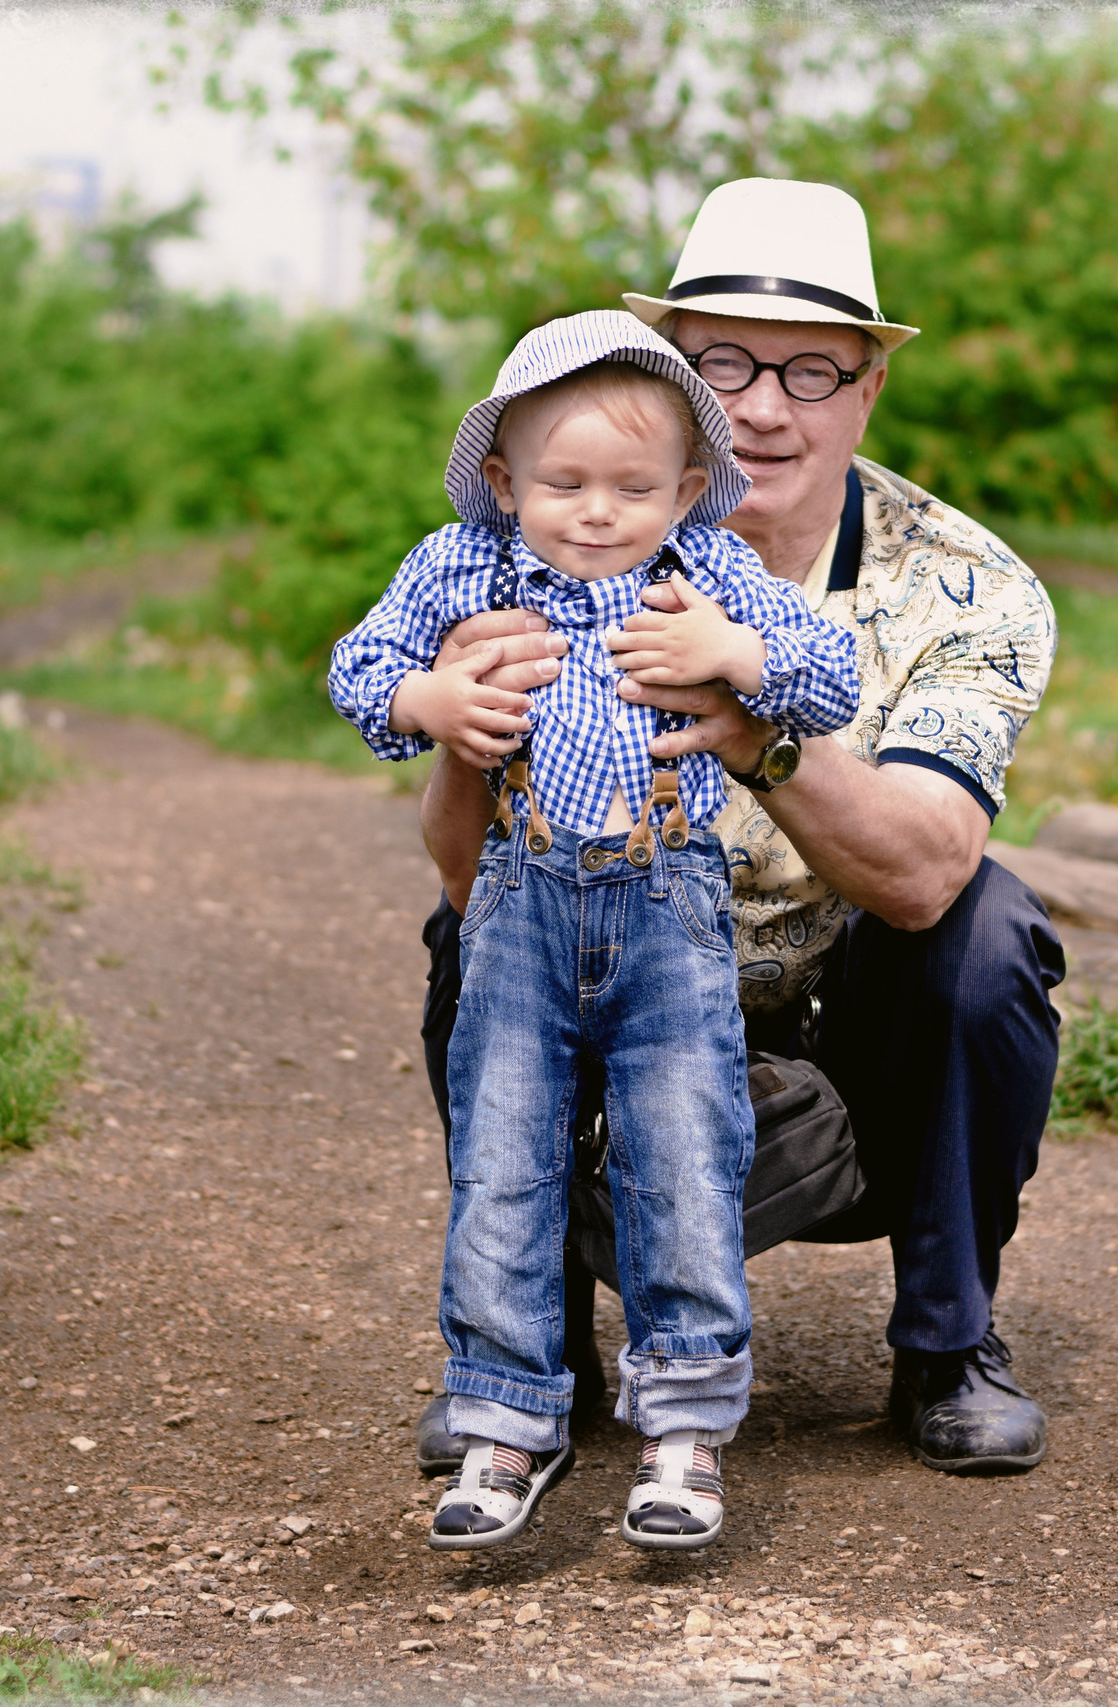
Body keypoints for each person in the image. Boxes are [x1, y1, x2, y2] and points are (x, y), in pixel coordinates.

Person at [413, 179, 1069, 1477]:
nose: (765, 404)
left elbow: (928, 868)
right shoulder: (555, 539)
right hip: (619, 999)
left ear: (868, 388)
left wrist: (751, 724)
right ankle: (530, 1352)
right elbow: (457, 870)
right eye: (725, 360)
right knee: (471, 935)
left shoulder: (970, 584)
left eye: (812, 369)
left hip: (854, 1033)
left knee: (988, 932)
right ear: (675, 378)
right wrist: (458, 734)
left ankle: (947, 1342)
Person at [330, 310, 859, 1550]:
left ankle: (682, 1428)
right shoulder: (465, 569)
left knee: (682, 1153)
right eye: (561, 482)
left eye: (633, 486)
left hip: (667, 903)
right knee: (504, 1159)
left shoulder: (711, 574)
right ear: (505, 482)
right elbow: (361, 670)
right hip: (520, 901)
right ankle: (506, 1417)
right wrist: (431, 696)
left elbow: (824, 678)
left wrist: (733, 653)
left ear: (686, 489)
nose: (595, 511)